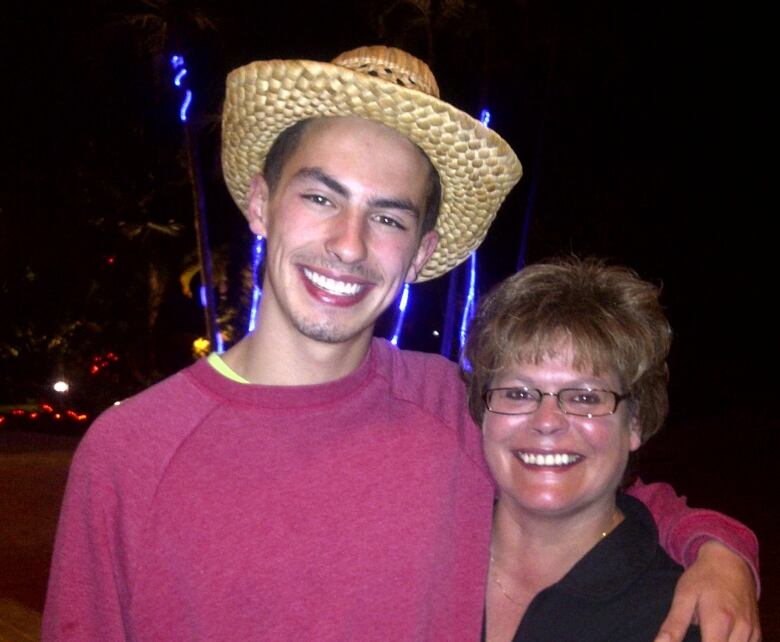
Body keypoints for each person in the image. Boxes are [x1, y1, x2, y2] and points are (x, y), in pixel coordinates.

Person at [42, 46, 760, 641]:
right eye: (321, 197)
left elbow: (597, 484)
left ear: (421, 252)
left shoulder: (453, 404)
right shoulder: (129, 454)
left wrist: (719, 547)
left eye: (388, 218)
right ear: (261, 204)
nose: (348, 245)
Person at [465, 257, 717, 641]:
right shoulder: (425, 549)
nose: (547, 420)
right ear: (483, 413)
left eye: (584, 397)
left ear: (634, 423)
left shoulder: (676, 618)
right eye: (517, 393)